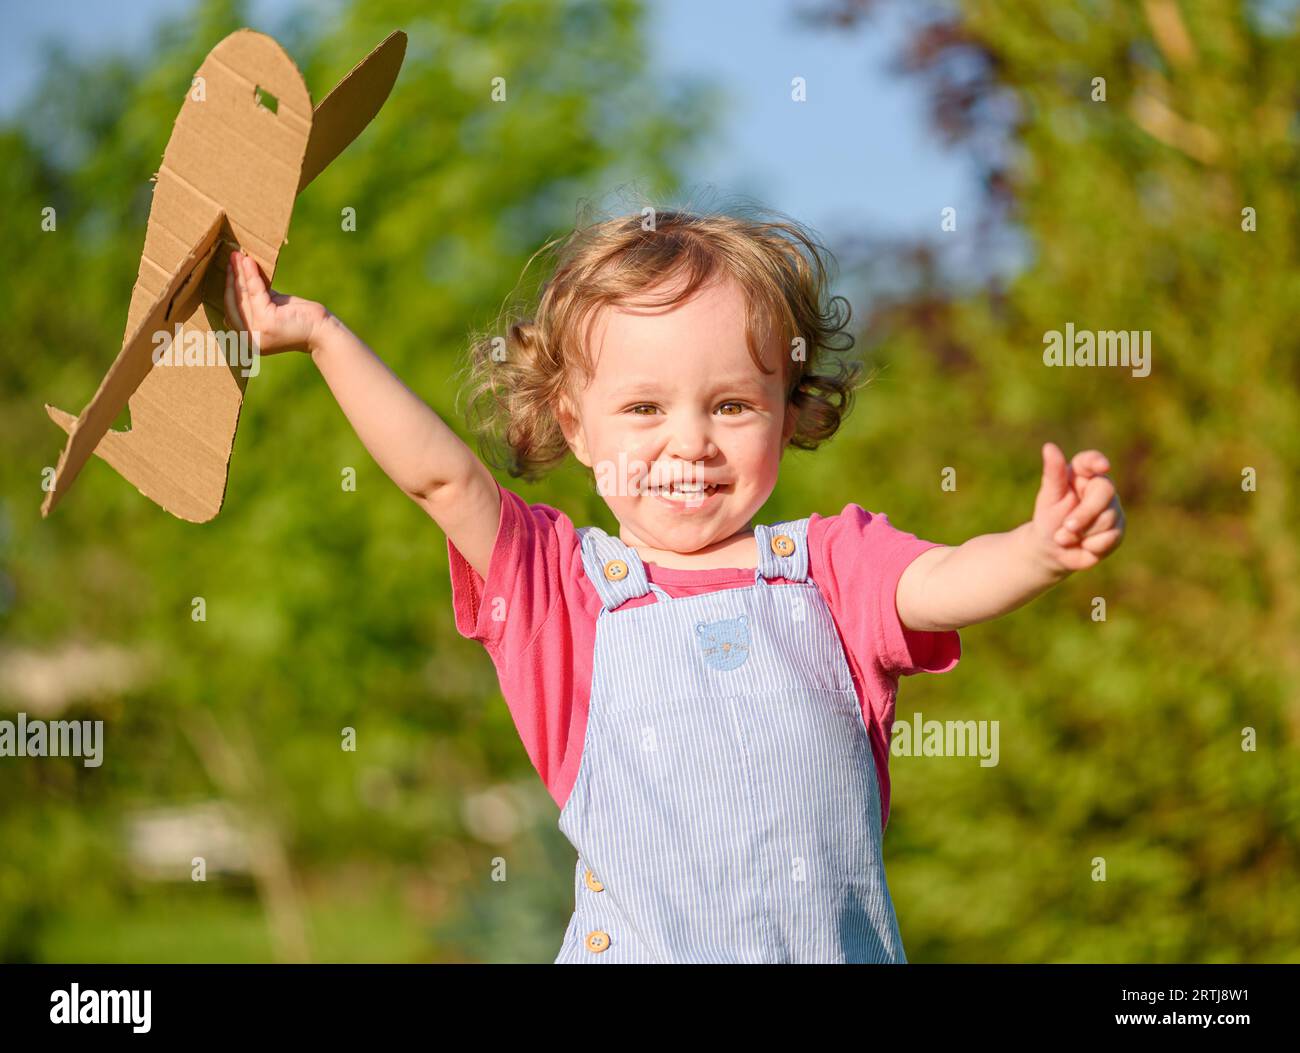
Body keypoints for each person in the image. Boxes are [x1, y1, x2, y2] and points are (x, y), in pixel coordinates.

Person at [222, 205, 1125, 963]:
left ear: (789, 409)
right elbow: (442, 479)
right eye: (645, 407)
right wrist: (320, 334)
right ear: (574, 425)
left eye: (732, 404)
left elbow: (940, 582)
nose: (690, 442)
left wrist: (1039, 550)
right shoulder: (561, 592)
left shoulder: (830, 567)